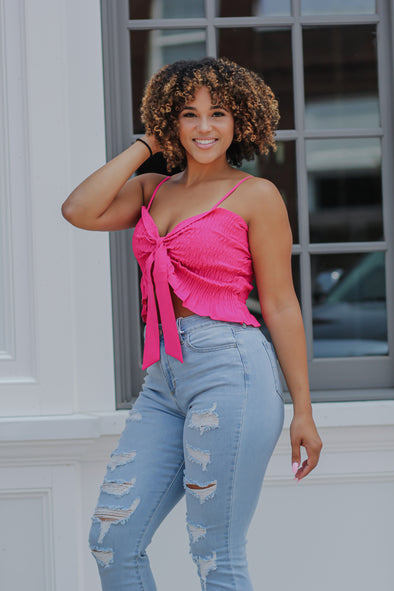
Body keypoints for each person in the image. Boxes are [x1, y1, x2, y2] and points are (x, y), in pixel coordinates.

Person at [62, 57, 322, 591]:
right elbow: (78, 209)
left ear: (239, 121)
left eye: (218, 113)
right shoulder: (151, 190)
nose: (204, 127)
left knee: (216, 553)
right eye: (188, 114)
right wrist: (146, 146)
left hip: (232, 373)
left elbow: (280, 304)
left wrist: (304, 410)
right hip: (163, 380)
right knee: (113, 541)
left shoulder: (256, 196)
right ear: (170, 122)